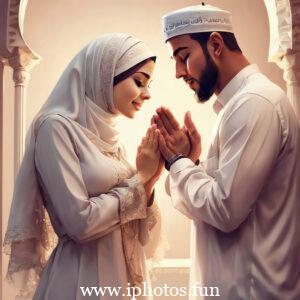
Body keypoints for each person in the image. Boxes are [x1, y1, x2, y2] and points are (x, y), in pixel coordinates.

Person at [153, 4, 300, 300]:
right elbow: (226, 193)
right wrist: (191, 161)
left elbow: (225, 209)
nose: (179, 72)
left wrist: (179, 163)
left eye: (184, 57)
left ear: (216, 45)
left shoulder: (255, 103)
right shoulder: (237, 106)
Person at [3, 33, 164, 300]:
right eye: (139, 82)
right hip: (80, 280)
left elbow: (139, 233)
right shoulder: (55, 128)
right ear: (104, 74)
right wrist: (140, 180)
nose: (146, 94)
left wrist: (151, 179)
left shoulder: (113, 142)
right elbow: (79, 223)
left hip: (121, 281)